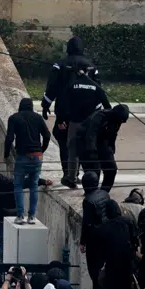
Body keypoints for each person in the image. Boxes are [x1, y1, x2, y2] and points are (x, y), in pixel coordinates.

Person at [42, 36, 100, 187]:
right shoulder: (91, 66)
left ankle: (68, 173)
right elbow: (98, 90)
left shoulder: (59, 65)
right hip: (86, 114)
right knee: (80, 143)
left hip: (65, 112)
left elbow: (51, 88)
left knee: (64, 142)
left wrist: (45, 105)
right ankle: (76, 174)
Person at [3, 98, 50, 224]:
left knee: (18, 185)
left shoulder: (14, 118)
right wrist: (41, 150)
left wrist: (6, 154)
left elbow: (9, 138)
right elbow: (47, 135)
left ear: (20, 106)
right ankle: (32, 216)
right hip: (37, 156)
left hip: (23, 156)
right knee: (34, 185)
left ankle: (20, 215)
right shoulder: (38, 118)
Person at [81, 103, 129, 192]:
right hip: (85, 143)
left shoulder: (117, 121)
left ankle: (104, 192)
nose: (120, 123)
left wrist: (111, 148)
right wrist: (92, 153)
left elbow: (113, 134)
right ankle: (91, 194)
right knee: (94, 172)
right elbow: (91, 136)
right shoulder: (99, 117)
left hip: (102, 143)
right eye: (120, 120)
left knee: (111, 169)